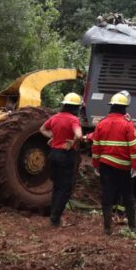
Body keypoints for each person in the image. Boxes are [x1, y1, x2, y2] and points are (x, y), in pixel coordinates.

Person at [91, 90, 136, 235]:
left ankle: (107, 227)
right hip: (124, 167)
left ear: (111, 107)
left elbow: (95, 147)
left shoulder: (101, 124)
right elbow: (133, 148)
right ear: (124, 108)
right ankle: (133, 226)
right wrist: (135, 166)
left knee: (107, 194)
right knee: (128, 196)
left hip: (106, 165)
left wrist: (96, 164)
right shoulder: (128, 124)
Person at [39, 92, 85, 227]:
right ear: (76, 108)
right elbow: (79, 135)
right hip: (66, 155)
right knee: (65, 188)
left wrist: (53, 137)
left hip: (53, 154)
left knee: (57, 186)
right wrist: (72, 142)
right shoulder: (73, 120)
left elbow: (42, 129)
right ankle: (55, 218)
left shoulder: (55, 117)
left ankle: (54, 216)